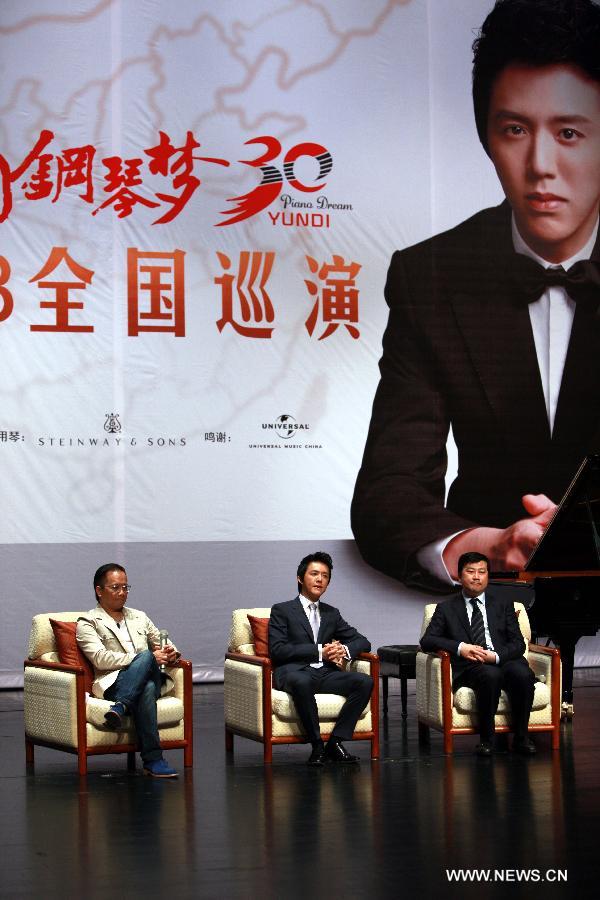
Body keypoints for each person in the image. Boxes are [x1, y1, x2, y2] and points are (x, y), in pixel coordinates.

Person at [352, 0, 600, 591]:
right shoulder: (431, 275)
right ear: (486, 135)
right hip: (496, 607)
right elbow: (389, 492)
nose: (541, 166)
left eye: (569, 132)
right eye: (515, 129)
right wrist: (485, 545)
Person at [421, 551, 537, 756]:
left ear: (487, 576)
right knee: (490, 675)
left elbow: (519, 643)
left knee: (523, 674)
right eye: (471, 572)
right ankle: (487, 740)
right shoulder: (446, 609)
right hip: (470, 666)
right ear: (459, 576)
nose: (477, 576)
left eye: (482, 572)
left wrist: (496, 656)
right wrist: (460, 647)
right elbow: (428, 641)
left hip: (501, 659)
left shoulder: (503, 605)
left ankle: (521, 738)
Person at [268, 551, 373, 766]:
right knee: (303, 681)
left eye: (325, 576)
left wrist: (342, 649)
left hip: (324, 674)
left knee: (364, 681)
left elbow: (363, 641)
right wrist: (319, 652)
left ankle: (335, 743)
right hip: (294, 672)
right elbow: (278, 650)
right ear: (300, 578)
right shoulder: (282, 610)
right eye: (314, 574)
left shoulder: (331, 613)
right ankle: (317, 745)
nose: (320, 579)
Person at [76, 563, 180, 778]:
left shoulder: (139, 616)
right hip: (113, 683)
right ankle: (153, 760)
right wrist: (145, 657)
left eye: (126, 587)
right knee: (148, 686)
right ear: (99, 590)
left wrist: (171, 652)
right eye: (115, 587)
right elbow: (99, 658)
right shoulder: (88, 621)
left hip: (143, 678)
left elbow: (166, 643)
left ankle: (121, 707)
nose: (122, 593)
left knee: (148, 665)